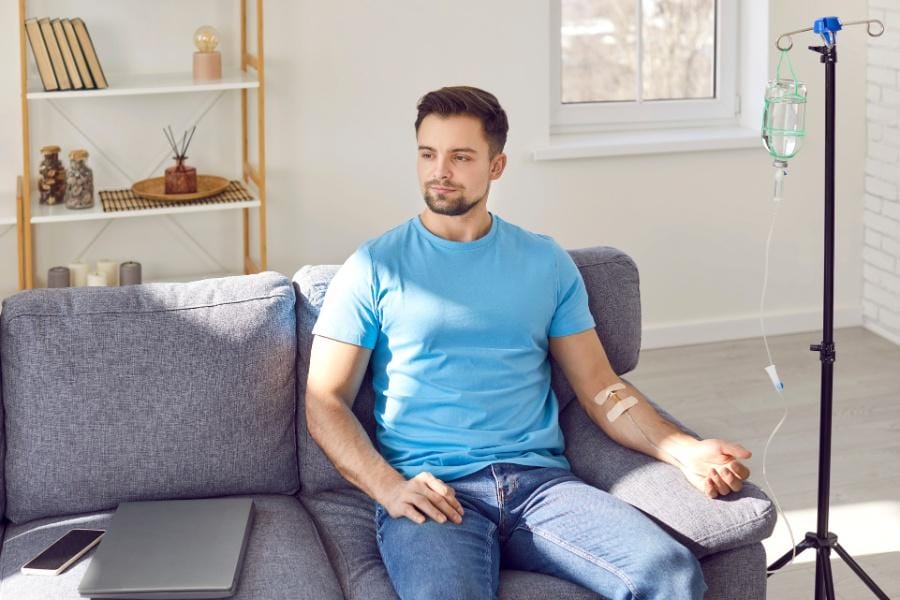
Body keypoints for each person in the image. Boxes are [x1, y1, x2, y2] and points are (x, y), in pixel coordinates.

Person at [305, 85, 752, 600]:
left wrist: (685, 450)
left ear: (496, 166)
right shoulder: (374, 266)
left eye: (460, 156)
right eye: (428, 154)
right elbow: (324, 402)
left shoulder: (546, 263)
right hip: (433, 494)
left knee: (670, 574)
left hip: (541, 487)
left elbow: (601, 386)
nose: (439, 171)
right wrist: (388, 488)